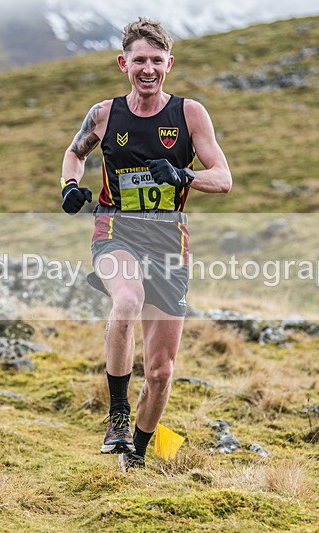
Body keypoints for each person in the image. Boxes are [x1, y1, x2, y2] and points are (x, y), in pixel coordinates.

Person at [59, 17, 232, 471]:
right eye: (139, 60)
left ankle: (135, 453)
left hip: (169, 244)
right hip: (116, 232)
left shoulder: (190, 114)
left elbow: (224, 178)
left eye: (157, 60)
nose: (148, 69)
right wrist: (69, 186)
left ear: (169, 64)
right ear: (124, 64)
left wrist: (183, 174)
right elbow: (75, 152)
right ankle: (117, 416)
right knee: (128, 300)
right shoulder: (104, 115)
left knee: (160, 372)